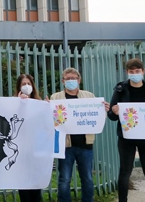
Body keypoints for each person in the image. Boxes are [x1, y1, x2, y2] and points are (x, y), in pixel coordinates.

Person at [50, 68, 109, 202]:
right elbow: (51, 119)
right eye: (68, 79)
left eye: (73, 78)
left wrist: (103, 110)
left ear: (79, 80)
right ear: (63, 81)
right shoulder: (56, 97)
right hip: (66, 145)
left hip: (85, 145)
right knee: (64, 179)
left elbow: (97, 117)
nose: (71, 81)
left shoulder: (89, 96)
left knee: (87, 178)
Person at [107, 58, 145, 202]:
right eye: (131, 72)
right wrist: (115, 112)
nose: (134, 74)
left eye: (137, 71)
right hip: (126, 138)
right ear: (127, 73)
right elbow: (111, 116)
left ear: (143, 71)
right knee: (125, 171)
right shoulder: (120, 89)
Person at [15, 74, 43, 202]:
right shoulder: (14, 102)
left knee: (36, 180)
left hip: (36, 147)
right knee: (23, 181)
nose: (26, 86)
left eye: (29, 83)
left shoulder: (40, 103)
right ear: (19, 87)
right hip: (21, 148)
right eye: (23, 84)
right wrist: (19, 102)